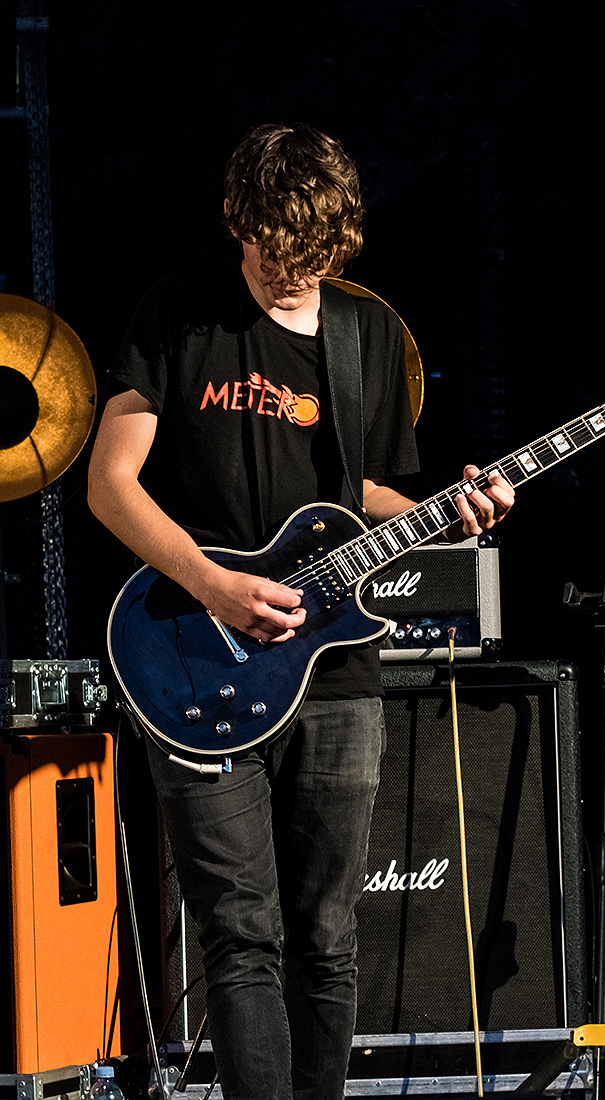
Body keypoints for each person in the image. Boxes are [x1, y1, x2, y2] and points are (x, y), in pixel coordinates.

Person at [87, 122, 515, 1100]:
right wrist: (213, 583)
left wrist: (454, 513)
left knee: (326, 936)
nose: (294, 280)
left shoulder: (368, 333)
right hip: (191, 652)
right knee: (243, 937)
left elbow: (361, 493)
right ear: (235, 220)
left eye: (314, 259)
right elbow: (111, 484)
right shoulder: (177, 313)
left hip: (333, 672)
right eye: (277, 257)